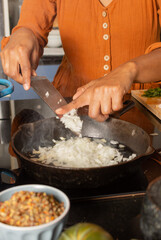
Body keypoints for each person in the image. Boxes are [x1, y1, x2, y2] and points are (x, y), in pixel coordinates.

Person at [1, 0, 161, 122]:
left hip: (144, 109)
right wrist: (24, 33)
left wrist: (129, 71)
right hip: (69, 104)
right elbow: (31, 25)